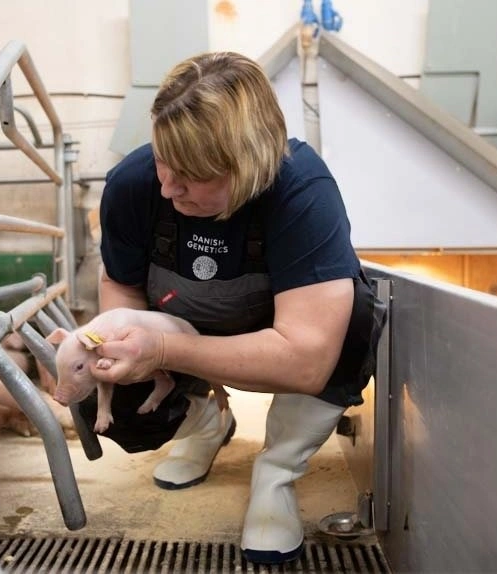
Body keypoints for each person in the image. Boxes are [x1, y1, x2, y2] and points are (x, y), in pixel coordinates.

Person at [78, 51, 387, 564]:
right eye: (162, 160)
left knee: (353, 323)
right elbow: (124, 293)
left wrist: (161, 349)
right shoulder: (133, 186)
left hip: (273, 339)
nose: (167, 187)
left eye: (193, 175)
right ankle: (204, 420)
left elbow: (308, 358)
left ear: (250, 163)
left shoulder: (302, 191)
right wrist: (122, 349)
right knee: (112, 401)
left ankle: (277, 472)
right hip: (184, 329)